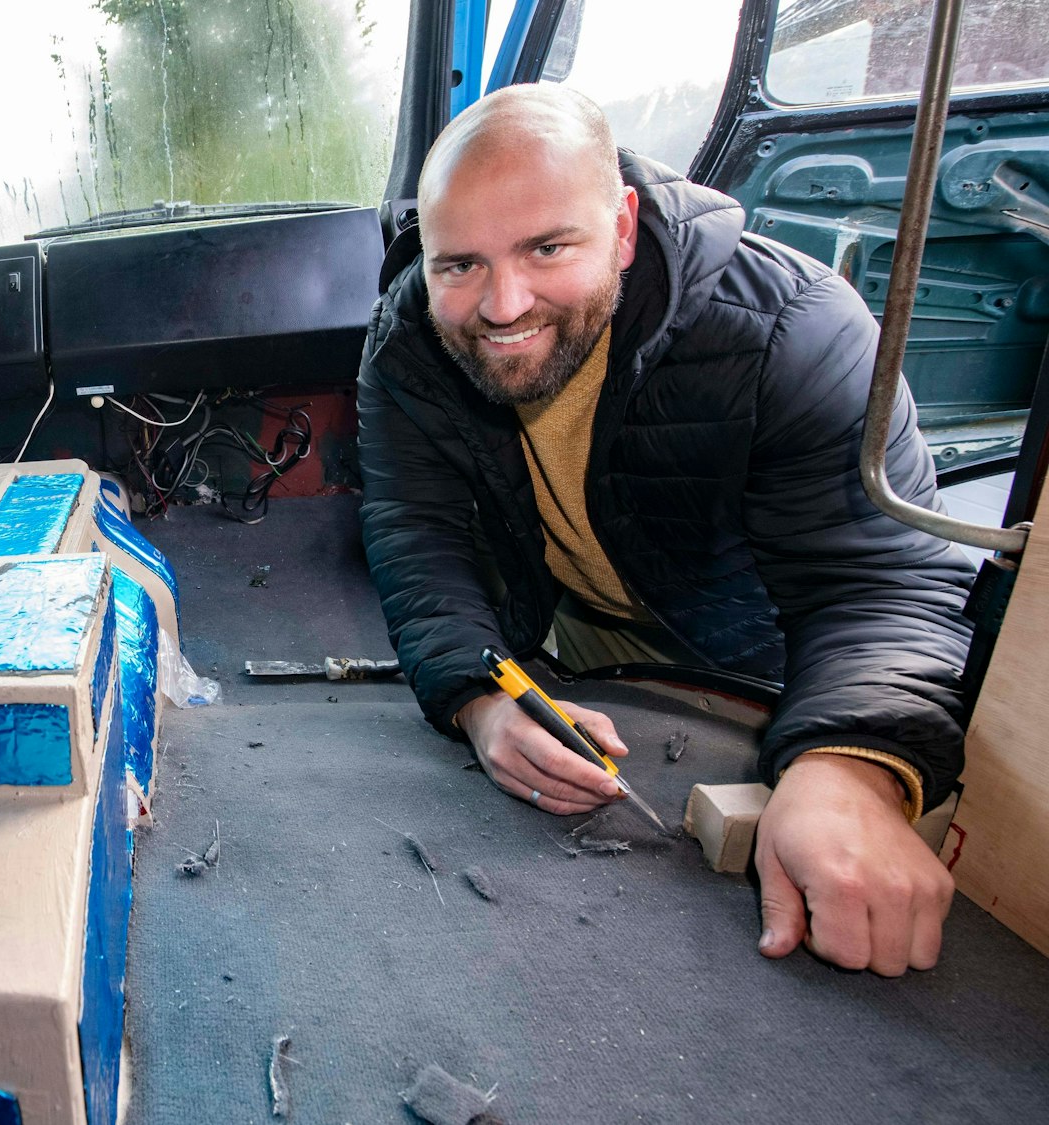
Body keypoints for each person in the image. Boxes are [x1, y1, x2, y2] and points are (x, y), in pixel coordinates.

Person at [356, 84, 976, 977]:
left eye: (546, 247)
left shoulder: (795, 331)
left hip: (774, 654)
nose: (501, 303)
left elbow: (885, 582)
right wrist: (482, 698)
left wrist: (849, 765)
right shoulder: (412, 334)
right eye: (461, 264)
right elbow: (418, 532)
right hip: (576, 624)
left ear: (623, 226)